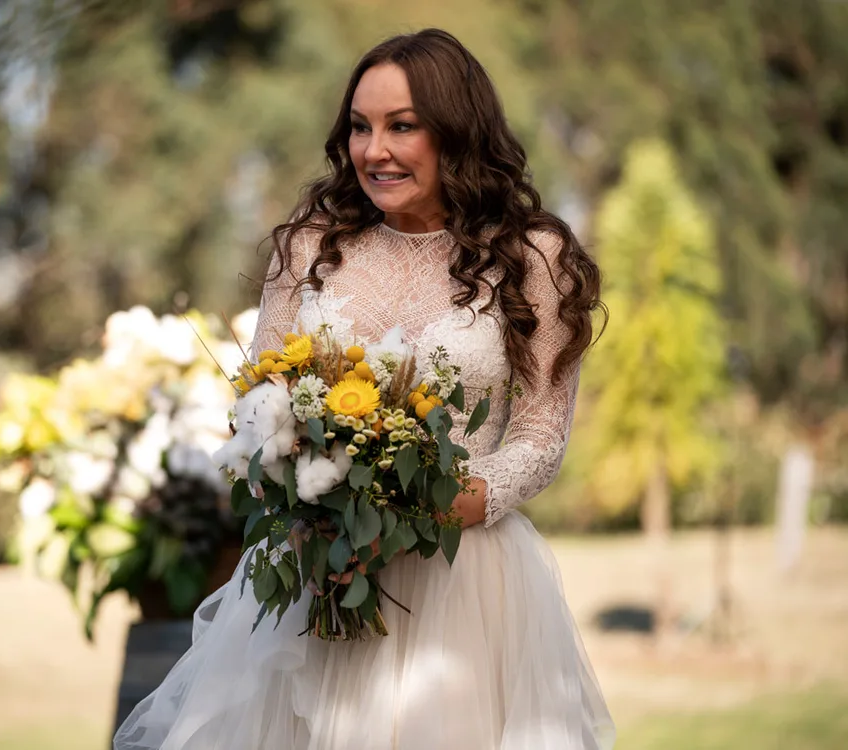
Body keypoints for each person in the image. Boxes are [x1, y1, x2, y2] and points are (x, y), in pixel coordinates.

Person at [114, 28, 615, 750]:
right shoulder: (312, 245)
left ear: (457, 131)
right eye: (359, 126)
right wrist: (309, 513)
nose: (373, 150)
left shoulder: (535, 255)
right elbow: (255, 408)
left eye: (401, 126)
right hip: (311, 579)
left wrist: (419, 514)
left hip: (462, 589)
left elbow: (538, 439)